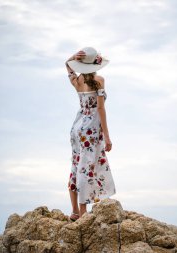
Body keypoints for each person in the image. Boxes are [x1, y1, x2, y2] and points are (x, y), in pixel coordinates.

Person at [65, 47, 116, 222]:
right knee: (85, 168)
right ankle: (83, 212)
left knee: (76, 165)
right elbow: (100, 109)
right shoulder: (99, 80)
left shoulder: (77, 81)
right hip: (90, 130)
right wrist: (107, 137)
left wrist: (72, 57)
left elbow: (67, 65)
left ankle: (74, 211)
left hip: (77, 127)